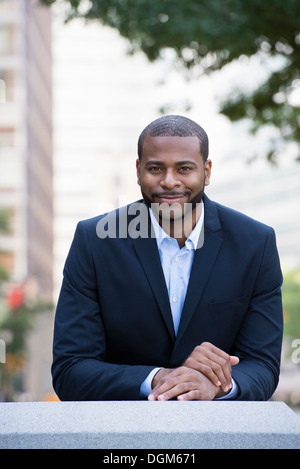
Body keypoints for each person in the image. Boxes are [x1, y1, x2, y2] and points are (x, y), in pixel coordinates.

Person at [52, 115, 283, 401]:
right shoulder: (95, 240)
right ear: (138, 171)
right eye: (155, 168)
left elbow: (263, 365)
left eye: (184, 169)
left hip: (217, 434)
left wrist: (216, 385)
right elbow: (70, 369)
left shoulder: (255, 243)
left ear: (207, 171)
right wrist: (158, 378)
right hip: (117, 432)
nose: (169, 182)